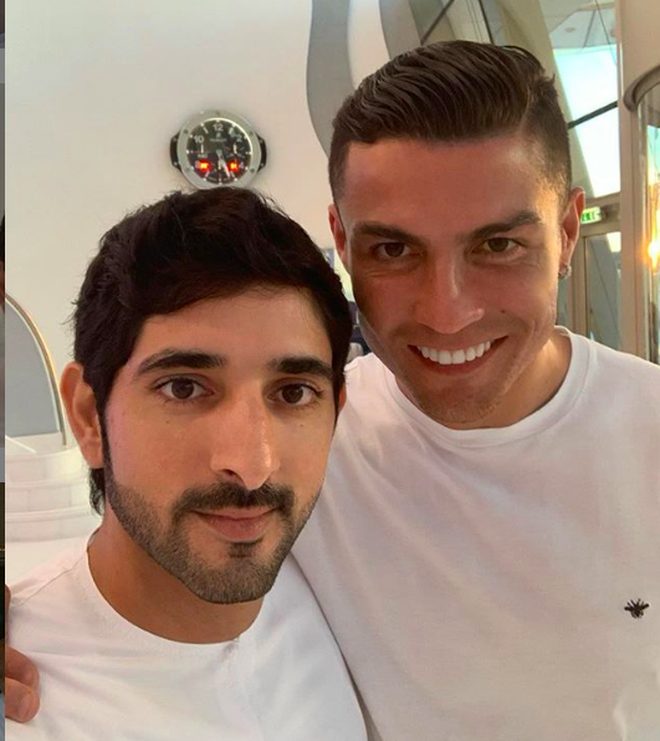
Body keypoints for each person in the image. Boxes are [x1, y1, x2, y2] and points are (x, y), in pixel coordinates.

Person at [6, 40, 660, 740]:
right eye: (394, 250)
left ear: (568, 232)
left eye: (498, 245)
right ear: (343, 244)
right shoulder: (314, 438)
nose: (448, 311)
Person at [4, 187, 366, 740]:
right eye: (184, 388)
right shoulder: (27, 707)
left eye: (293, 393)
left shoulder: (333, 582)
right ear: (89, 416)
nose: (252, 466)